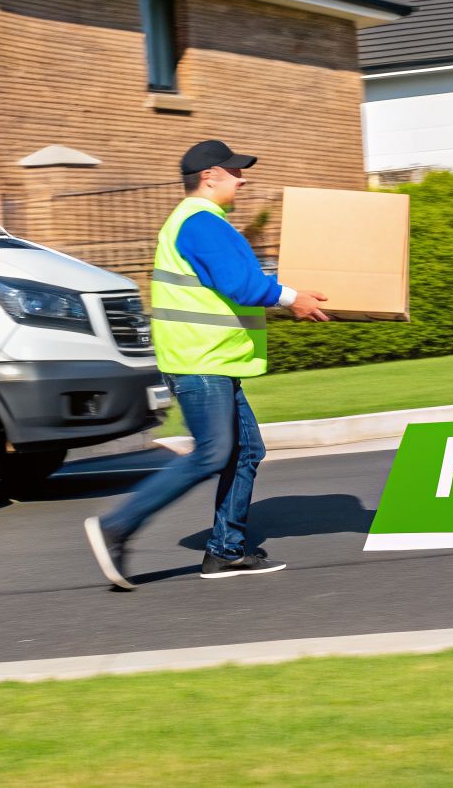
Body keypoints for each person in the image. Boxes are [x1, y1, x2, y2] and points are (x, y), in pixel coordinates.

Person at [84, 140, 328, 589]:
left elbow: (241, 283)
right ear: (209, 175)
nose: (243, 178)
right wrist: (294, 299)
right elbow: (241, 285)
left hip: (210, 358)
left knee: (247, 451)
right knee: (213, 452)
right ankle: (116, 526)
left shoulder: (203, 223)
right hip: (199, 360)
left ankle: (224, 552)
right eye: (235, 172)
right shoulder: (200, 222)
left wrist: (288, 295)